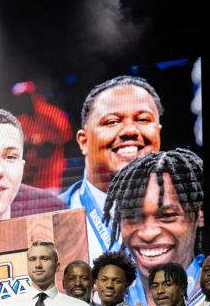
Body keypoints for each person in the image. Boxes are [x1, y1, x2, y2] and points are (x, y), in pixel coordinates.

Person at [60, 76, 163, 264]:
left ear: (158, 132)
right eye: (112, 121)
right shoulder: (48, 215)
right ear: (84, 141)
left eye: (142, 119)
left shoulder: (191, 214)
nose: (130, 130)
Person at [103, 148, 206, 306]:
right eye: (133, 217)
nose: (148, 234)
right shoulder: (107, 301)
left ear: (199, 215)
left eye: (166, 216)